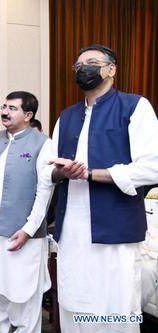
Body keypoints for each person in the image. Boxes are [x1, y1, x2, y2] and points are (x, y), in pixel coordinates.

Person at [48, 44, 158, 333]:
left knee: (116, 307)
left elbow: (152, 166)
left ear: (111, 70)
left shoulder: (135, 106)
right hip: (72, 231)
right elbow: (48, 169)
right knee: (74, 302)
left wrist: (93, 174)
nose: (83, 68)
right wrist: (61, 171)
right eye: (79, 65)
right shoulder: (67, 116)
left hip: (116, 232)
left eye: (92, 62)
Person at [0, 91, 54, 333]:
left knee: (23, 288)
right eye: (4, 106)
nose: (5, 112)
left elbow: (44, 192)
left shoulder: (43, 143)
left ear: (28, 115)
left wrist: (28, 230)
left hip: (23, 233)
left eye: (12, 108)